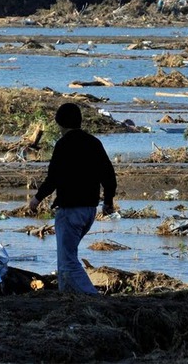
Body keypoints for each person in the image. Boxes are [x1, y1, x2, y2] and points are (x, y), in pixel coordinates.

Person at [28, 103, 117, 294]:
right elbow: (108, 175)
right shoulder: (94, 142)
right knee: (67, 256)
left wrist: (37, 198)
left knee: (67, 259)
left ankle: (91, 295)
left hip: (70, 210)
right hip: (89, 211)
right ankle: (66, 295)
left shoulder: (63, 144)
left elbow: (54, 177)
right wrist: (108, 201)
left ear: (59, 122)